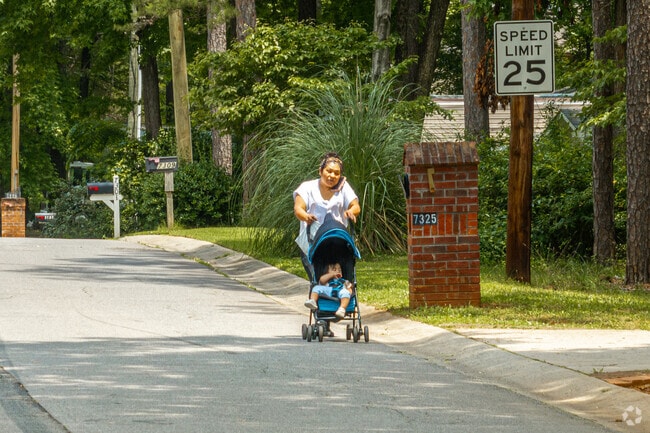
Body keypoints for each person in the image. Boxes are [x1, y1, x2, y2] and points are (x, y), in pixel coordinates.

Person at [293, 152, 361, 279]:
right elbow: (298, 208)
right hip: (312, 242)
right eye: (329, 171)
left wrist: (351, 211)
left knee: (341, 278)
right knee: (318, 279)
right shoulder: (307, 187)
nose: (332, 176)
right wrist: (306, 216)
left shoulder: (343, 187)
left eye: (336, 173)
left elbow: (355, 206)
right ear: (320, 171)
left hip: (336, 240)